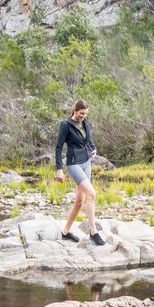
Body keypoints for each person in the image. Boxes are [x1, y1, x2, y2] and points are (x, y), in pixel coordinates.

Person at [55, 99, 105, 246]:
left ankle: (65, 232)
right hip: (74, 163)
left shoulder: (84, 121)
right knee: (91, 193)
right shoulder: (65, 125)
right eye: (81, 113)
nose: (83, 116)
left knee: (79, 202)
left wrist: (93, 147)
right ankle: (93, 232)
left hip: (86, 162)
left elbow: (88, 138)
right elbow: (58, 147)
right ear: (75, 111)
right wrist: (59, 170)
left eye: (85, 114)